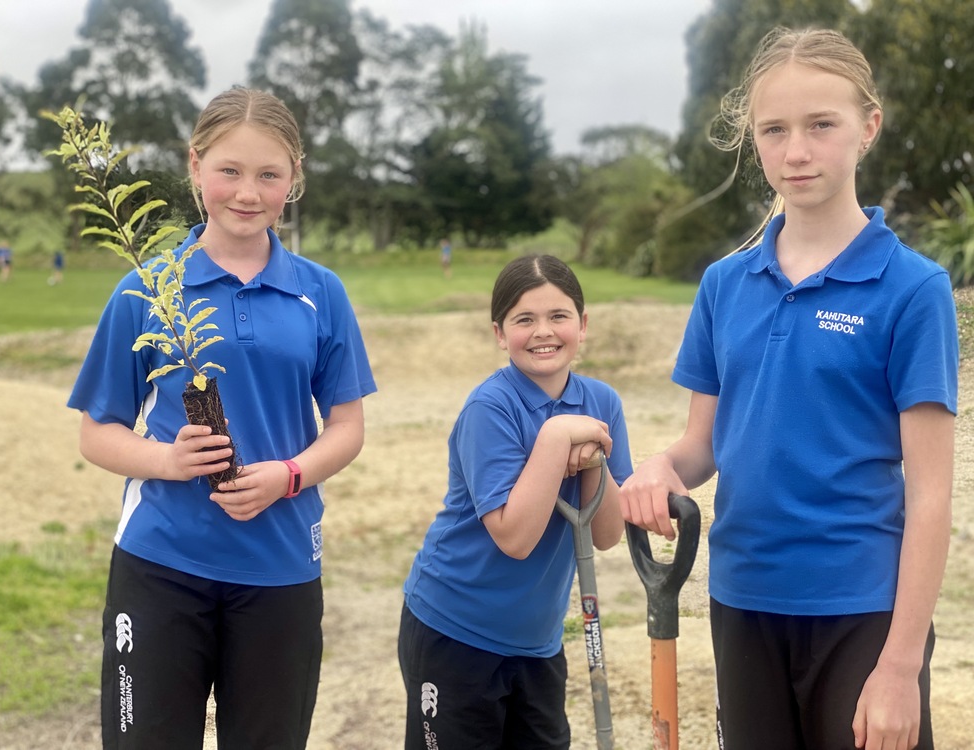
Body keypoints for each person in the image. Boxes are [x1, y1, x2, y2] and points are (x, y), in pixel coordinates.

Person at [619, 27, 957, 750]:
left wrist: (900, 667)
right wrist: (657, 468)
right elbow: (702, 446)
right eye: (774, 130)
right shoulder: (723, 284)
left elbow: (932, 492)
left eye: (820, 125)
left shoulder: (914, 289)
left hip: (863, 611)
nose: (796, 150)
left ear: (867, 128)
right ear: (754, 139)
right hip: (743, 600)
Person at [67, 87, 377, 749]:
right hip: (161, 564)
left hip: (282, 567)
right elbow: (97, 432)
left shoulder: (320, 293)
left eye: (269, 174)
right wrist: (166, 461)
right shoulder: (147, 288)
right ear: (195, 166)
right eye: (229, 171)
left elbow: (347, 428)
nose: (247, 192)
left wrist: (288, 477)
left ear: (294, 179)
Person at [398, 254, 631, 749]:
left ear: (582, 325)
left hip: (538, 642)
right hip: (455, 632)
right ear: (500, 334)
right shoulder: (491, 407)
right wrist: (555, 438)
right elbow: (515, 537)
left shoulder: (603, 403)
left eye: (558, 316)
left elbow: (607, 534)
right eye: (524, 319)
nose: (543, 332)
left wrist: (593, 463)